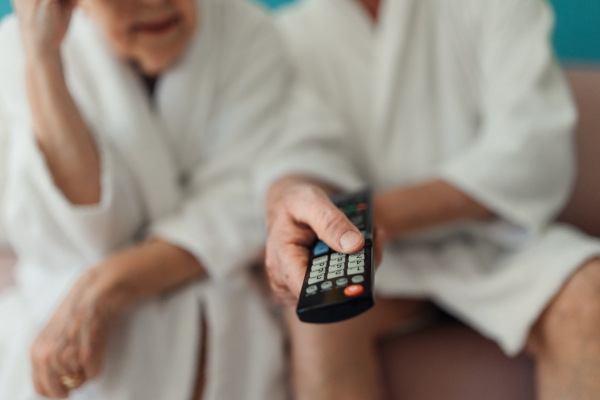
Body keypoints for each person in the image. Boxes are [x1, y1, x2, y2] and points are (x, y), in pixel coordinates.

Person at [262, 0, 600, 399]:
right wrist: (291, 205)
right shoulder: (288, 35)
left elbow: (532, 148)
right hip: (379, 262)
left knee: (589, 296)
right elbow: (294, 152)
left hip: (503, 242)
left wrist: (360, 220)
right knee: (317, 321)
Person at [0, 0, 292, 398]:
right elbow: (81, 234)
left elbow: (244, 198)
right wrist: (43, 60)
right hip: (67, 325)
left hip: (223, 315)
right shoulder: (16, 53)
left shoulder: (245, 30)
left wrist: (112, 282)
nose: (155, 3)